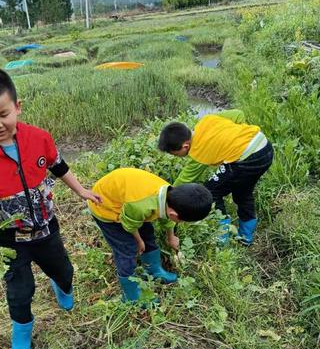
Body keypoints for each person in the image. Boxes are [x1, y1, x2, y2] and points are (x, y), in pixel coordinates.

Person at [0, 68, 101, 349]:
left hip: (46, 230)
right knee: (19, 293)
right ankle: (21, 332)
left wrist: (82, 190)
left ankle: (62, 286)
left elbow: (58, 166)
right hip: (11, 240)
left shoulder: (39, 138)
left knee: (64, 271)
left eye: (3, 114)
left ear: (17, 107)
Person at [87, 168, 212, 303]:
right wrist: (139, 241)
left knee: (148, 234)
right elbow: (130, 224)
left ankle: (153, 270)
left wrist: (171, 236)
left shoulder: (170, 195)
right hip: (105, 206)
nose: (180, 222)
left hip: (129, 202)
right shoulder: (141, 205)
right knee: (127, 249)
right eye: (181, 221)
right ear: (174, 215)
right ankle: (132, 296)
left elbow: (166, 217)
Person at [158, 110, 274, 245]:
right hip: (264, 146)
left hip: (247, 159)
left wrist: (169, 193)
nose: (176, 156)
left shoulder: (198, 151)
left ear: (185, 146)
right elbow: (238, 114)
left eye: (175, 154)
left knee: (210, 192)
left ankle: (222, 236)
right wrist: (236, 137)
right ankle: (246, 236)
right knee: (242, 190)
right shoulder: (206, 120)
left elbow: (185, 178)